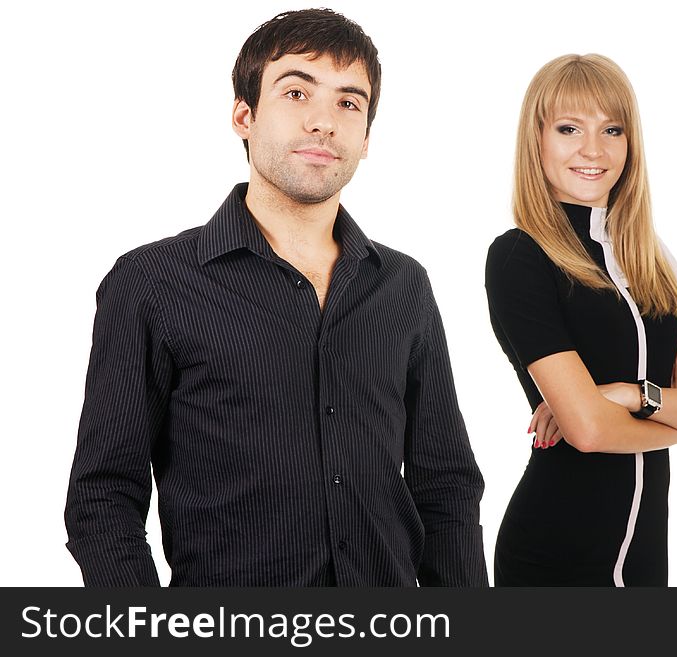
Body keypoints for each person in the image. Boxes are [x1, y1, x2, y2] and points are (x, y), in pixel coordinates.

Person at [64, 9, 488, 587]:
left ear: (366, 139)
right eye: (296, 92)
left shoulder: (403, 285)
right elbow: (103, 499)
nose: (324, 122)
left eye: (349, 102)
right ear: (244, 114)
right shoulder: (152, 282)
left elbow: (446, 488)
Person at [485, 54, 677, 586]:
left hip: (646, 560)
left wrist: (629, 394)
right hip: (552, 558)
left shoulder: (652, 259)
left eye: (612, 129)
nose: (593, 150)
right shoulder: (520, 258)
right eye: (569, 128)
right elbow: (587, 430)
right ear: (537, 140)